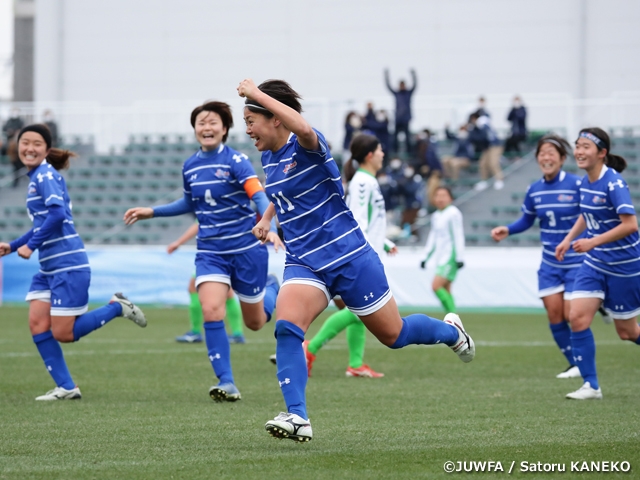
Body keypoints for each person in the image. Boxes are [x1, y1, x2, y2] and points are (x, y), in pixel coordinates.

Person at [238, 78, 475, 443]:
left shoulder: (308, 144)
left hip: (350, 257)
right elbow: (283, 192)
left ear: (276, 119)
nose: (248, 128)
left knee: (394, 336)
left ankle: (451, 332)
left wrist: (256, 92)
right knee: (286, 327)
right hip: (305, 261)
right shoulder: (269, 158)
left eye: (251, 119)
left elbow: (301, 125)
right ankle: (298, 416)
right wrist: (268, 218)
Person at [123, 101, 283, 403]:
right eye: (201, 123)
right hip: (210, 251)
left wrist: (267, 224)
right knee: (211, 309)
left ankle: (271, 287)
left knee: (256, 323)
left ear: (224, 128)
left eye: (213, 123)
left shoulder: (237, 161)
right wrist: (152, 211)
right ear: (195, 129)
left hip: (247, 250)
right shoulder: (190, 165)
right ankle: (227, 382)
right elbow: (189, 203)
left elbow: (258, 195)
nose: (206, 128)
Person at [0, 124, 147, 401]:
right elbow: (43, 222)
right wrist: (14, 246)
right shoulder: (36, 177)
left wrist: (30, 246)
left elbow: (57, 215)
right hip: (49, 266)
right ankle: (67, 387)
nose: (29, 148)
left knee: (64, 333)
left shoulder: (45, 175)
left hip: (68, 263)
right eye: (24, 143)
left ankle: (117, 307)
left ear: (46, 149)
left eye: (36, 143)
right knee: (37, 324)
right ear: (17, 147)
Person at [490, 134, 612, 379]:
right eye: (542, 154)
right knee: (554, 315)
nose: (546, 158)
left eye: (551, 153)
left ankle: (600, 301)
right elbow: (527, 219)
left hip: (578, 262)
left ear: (562, 158)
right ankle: (575, 363)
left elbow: (593, 214)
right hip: (549, 263)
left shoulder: (578, 185)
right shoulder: (534, 190)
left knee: (571, 314)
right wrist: (509, 229)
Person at [555, 127, 640, 400]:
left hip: (624, 266)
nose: (579, 151)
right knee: (577, 318)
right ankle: (591, 386)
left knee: (627, 333)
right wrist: (569, 239)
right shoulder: (584, 182)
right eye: (577, 146)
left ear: (602, 153)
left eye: (585, 147)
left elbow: (631, 224)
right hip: (594, 264)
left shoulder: (614, 184)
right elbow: (586, 214)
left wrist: (592, 241)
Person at [304, 134, 397, 379]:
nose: (382, 154)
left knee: (361, 310)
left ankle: (355, 364)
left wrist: (384, 243)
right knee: (361, 310)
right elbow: (356, 220)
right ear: (369, 155)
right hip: (361, 255)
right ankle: (310, 348)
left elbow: (366, 220)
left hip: (368, 251)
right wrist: (366, 252)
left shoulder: (366, 181)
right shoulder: (363, 183)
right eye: (379, 150)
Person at [166, 223, 245, 344]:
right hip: (226, 250)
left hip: (215, 254)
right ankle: (237, 334)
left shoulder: (210, 206)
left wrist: (179, 242)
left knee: (194, 287)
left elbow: (199, 224)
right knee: (227, 292)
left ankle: (196, 332)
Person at [420, 186, 465, 313]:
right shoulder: (436, 216)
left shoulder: (453, 213)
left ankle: (454, 318)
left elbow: (458, 235)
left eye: (444, 195)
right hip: (441, 257)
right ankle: (452, 320)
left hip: (451, 256)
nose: (440, 199)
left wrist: (459, 257)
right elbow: (432, 238)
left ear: (450, 198)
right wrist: (425, 257)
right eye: (438, 196)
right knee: (446, 289)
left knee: (436, 286)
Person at [384, 68, 417, 154]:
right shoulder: (397, 94)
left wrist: (413, 75)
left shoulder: (408, 93)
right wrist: (386, 75)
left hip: (406, 118)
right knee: (395, 137)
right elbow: (388, 86)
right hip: (398, 118)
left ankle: (409, 151)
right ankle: (395, 151)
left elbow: (415, 85)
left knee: (407, 137)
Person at [469, 114, 504, 191]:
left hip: (495, 146)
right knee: (482, 164)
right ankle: (484, 181)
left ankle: (499, 179)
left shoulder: (482, 123)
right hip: (487, 147)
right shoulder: (475, 127)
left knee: (493, 163)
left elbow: (484, 137)